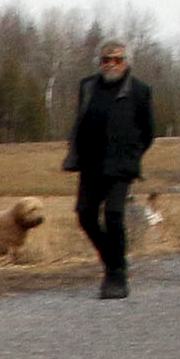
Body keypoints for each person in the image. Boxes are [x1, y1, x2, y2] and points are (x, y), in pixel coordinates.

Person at [63, 40, 156, 299]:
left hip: (121, 165)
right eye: (106, 59)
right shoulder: (87, 87)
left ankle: (116, 276)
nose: (111, 64)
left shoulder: (140, 91)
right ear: (99, 62)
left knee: (114, 215)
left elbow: (148, 132)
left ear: (126, 62)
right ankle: (113, 261)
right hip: (90, 164)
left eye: (117, 59)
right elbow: (80, 121)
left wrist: (132, 155)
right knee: (85, 215)